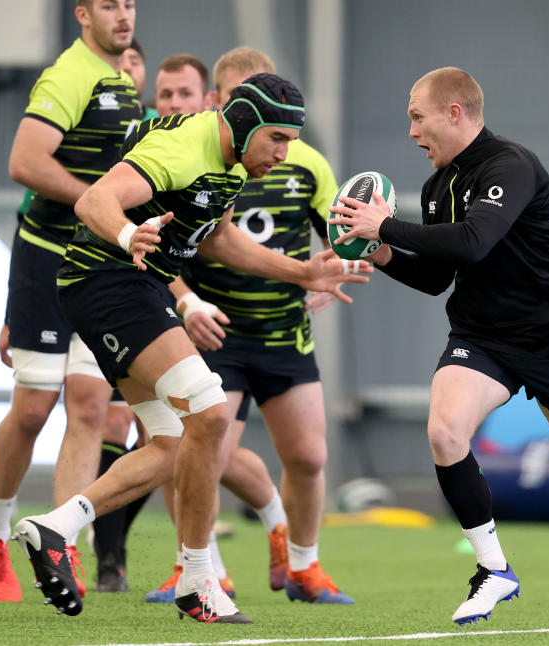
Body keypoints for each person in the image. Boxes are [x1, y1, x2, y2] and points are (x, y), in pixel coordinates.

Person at [12, 72, 370, 624]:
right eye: (278, 138)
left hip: (133, 287)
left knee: (174, 442)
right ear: (247, 124)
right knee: (208, 409)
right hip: (107, 280)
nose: (285, 151)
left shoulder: (230, 163)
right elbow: (94, 200)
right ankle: (199, 579)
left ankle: (55, 528)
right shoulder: (185, 146)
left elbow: (221, 238)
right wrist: (130, 235)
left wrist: (302, 272)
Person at [328, 66, 549, 624]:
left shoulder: (512, 165)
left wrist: (384, 227)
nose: (411, 132)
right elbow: (437, 277)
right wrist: (381, 255)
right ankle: (494, 569)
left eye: (417, 117)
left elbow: (475, 242)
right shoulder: (436, 187)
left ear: (454, 113)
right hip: (483, 338)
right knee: (443, 429)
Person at [149, 45, 352, 605]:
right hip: (217, 333)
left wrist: (332, 272)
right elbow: (163, 247)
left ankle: (305, 570)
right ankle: (200, 569)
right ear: (223, 103)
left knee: (310, 457)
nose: (274, 139)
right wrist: (188, 302)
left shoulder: (307, 163)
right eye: (241, 102)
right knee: (202, 454)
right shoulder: (195, 157)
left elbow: (343, 240)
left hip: (285, 332)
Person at [0, 0, 141, 603]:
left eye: (129, 4)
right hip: (45, 261)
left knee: (92, 408)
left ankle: (59, 544)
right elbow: (24, 162)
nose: (123, 15)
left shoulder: (123, 80)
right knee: (32, 410)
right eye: (109, 5)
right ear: (82, 13)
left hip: (95, 265)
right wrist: (96, 204)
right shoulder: (68, 76)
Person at [90, 35, 159, 594]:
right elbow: (68, 206)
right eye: (126, 63)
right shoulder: (100, 135)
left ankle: (108, 537)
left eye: (138, 61)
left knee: (162, 434)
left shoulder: (181, 143)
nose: (129, 70)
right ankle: (106, 554)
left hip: (163, 297)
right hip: (107, 291)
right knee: (112, 422)